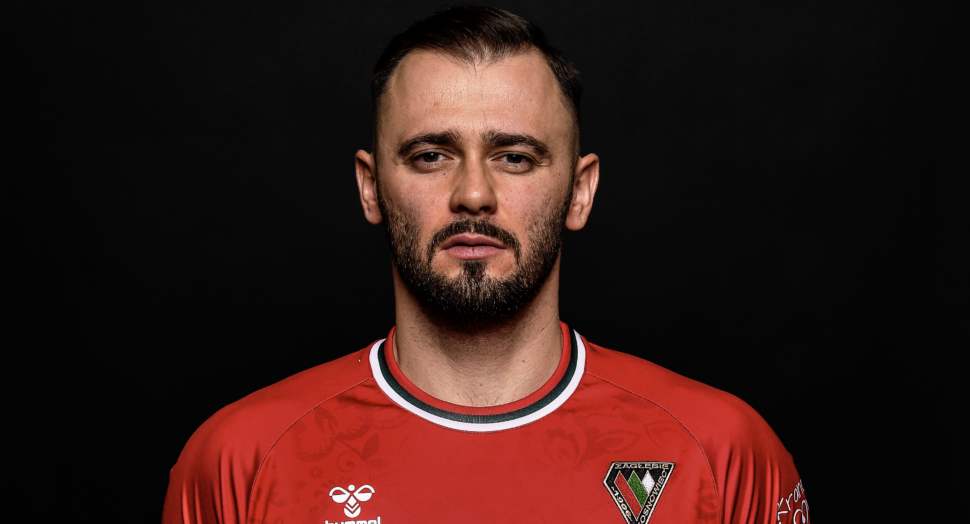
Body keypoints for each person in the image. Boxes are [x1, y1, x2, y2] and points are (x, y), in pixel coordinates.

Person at [163, 6, 808, 524]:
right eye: (431, 156)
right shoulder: (240, 463)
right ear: (370, 186)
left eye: (515, 158)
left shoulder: (721, 455)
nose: (474, 194)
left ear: (580, 192)